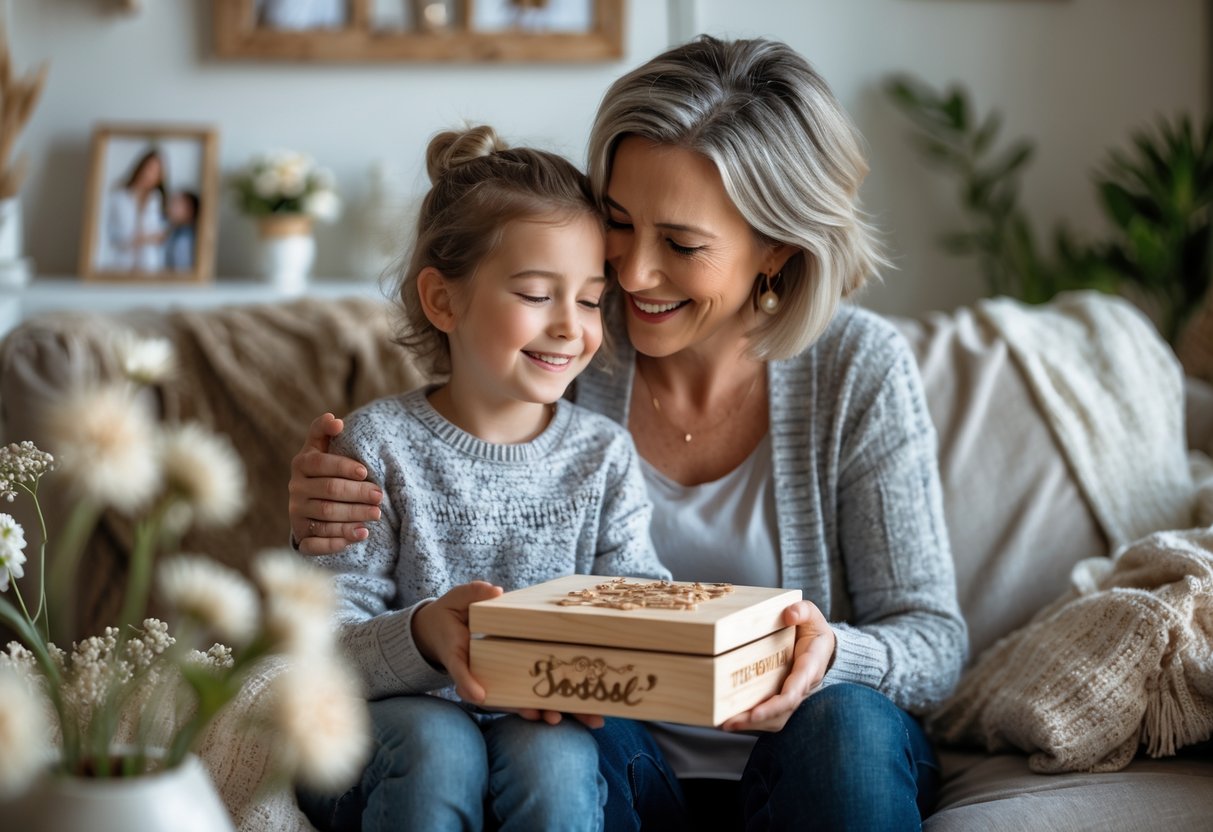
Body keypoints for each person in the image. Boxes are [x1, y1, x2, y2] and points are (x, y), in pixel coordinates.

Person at [289, 36, 968, 831]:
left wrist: (824, 655)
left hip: (800, 757)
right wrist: (329, 500)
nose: (633, 276)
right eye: (618, 223)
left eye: (680, 244)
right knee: (550, 744)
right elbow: (423, 454)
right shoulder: (562, 333)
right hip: (621, 758)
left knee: (850, 725)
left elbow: (932, 641)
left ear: (775, 251)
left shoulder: (858, 370)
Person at [293, 125, 671, 832]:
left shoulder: (603, 455)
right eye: (535, 293)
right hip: (398, 740)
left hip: (556, 726)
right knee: (440, 745)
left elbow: (640, 600)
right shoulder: (375, 445)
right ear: (442, 301)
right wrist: (424, 639)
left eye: (590, 300)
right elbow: (321, 644)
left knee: (550, 753)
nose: (570, 326)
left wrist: (587, 660)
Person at [99, 148, 168, 273]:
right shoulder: (118, 196)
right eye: (149, 168)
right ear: (140, 167)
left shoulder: (157, 199)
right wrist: (138, 239)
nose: (150, 174)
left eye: (156, 171)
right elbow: (110, 233)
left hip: (149, 266)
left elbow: (161, 234)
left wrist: (146, 238)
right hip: (120, 263)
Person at [164, 190, 199, 271]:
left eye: (176, 204)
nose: (169, 208)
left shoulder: (184, 238)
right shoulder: (173, 232)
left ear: (189, 210)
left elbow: (182, 271)